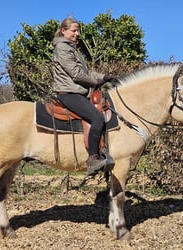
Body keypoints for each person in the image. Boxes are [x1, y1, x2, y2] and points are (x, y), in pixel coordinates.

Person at [52, 17, 116, 176]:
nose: (77, 33)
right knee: (98, 118)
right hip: (69, 93)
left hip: (76, 92)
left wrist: (105, 77)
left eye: (77, 30)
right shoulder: (62, 48)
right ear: (63, 31)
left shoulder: (71, 49)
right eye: (73, 30)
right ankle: (93, 159)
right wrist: (96, 82)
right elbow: (76, 74)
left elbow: (86, 73)